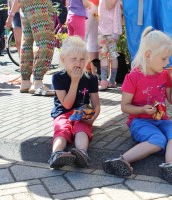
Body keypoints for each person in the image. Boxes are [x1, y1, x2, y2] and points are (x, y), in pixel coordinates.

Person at [102, 26, 172, 185]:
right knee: (158, 139)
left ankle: (170, 166)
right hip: (139, 121)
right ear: (148, 55)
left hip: (161, 120)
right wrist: (141, 109)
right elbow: (125, 107)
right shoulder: (133, 77)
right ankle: (121, 161)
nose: (167, 62)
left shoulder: (165, 74)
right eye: (164, 58)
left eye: (168, 58)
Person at [49, 36, 100, 169]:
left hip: (82, 112)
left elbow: (96, 104)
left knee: (82, 128)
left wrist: (92, 118)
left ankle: (82, 153)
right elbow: (67, 105)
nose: (78, 63)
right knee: (62, 129)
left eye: (82, 59)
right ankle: (56, 154)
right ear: (63, 59)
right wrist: (75, 82)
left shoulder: (91, 78)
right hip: (63, 113)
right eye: (73, 59)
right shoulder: (58, 77)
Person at [5, 0, 55, 96]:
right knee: (45, 41)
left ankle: (25, 81)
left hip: (25, 5)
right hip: (40, 4)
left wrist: (11, 14)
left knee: (27, 41)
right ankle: (37, 82)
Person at [97, 0, 122, 90]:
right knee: (104, 55)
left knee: (111, 55)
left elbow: (109, 5)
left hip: (111, 30)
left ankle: (110, 80)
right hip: (103, 28)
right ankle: (106, 80)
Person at [7, 0, 22, 85]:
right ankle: (23, 74)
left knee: (22, 45)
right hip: (15, 13)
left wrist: (10, 16)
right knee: (18, 44)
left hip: (20, 12)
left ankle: (26, 76)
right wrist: (9, 15)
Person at [84, 0, 99, 75]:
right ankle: (92, 73)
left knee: (86, 39)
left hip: (92, 6)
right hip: (92, 6)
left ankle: (92, 72)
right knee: (90, 40)